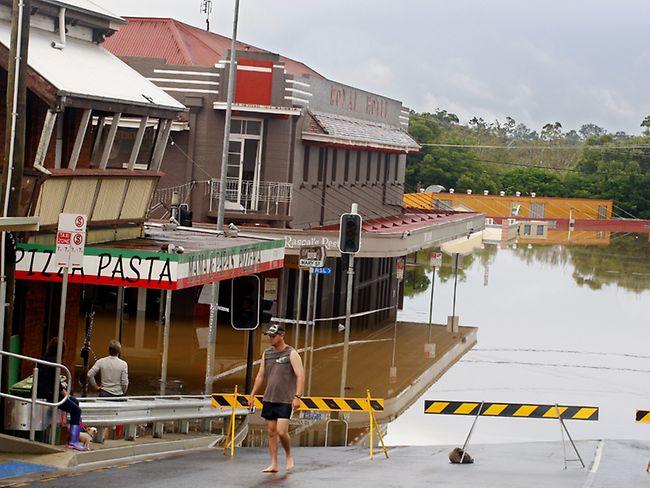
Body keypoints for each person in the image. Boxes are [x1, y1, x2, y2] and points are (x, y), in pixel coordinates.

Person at [249, 323, 304, 473]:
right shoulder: (267, 353)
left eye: (273, 336)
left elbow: (300, 375)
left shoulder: (291, 353)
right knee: (271, 431)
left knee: (281, 431)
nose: (271, 339)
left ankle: (288, 456)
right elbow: (261, 375)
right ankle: (273, 463)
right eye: (270, 336)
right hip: (269, 398)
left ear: (282, 335)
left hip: (285, 399)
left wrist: (297, 397)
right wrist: (253, 394)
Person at [37, 338, 87, 451]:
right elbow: (57, 385)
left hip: (45, 391)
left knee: (75, 402)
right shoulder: (54, 363)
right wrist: (66, 395)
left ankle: (74, 436)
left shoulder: (44, 359)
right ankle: (73, 441)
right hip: (49, 394)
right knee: (76, 410)